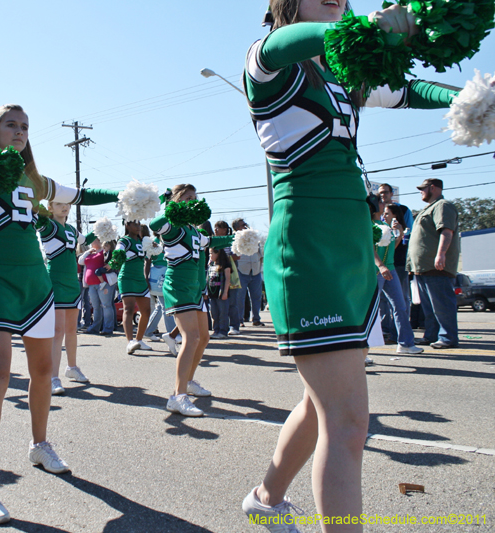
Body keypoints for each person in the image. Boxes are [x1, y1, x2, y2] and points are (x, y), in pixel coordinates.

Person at [241, 2, 459, 530]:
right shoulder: (266, 62)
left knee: (323, 406)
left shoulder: (347, 71)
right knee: (349, 421)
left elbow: (410, 91)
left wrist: (471, 99)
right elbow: (292, 41)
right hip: (308, 249)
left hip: (353, 248)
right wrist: (364, 29)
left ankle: (266, 499)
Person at [0, 104, 119, 524]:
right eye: (11, 124)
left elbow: (78, 195)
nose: (19, 131)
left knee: (44, 371)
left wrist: (126, 197)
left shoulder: (34, 179)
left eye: (25, 126)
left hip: (35, 282)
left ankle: (39, 444)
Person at [149, 184, 233, 417]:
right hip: (179, 287)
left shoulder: (194, 231)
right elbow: (154, 225)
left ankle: (189, 380)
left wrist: (238, 239)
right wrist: (169, 205)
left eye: (195, 197)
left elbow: (212, 243)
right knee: (191, 337)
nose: (193, 201)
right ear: (176, 200)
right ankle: (177, 396)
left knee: (204, 337)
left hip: (195, 289)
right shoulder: (172, 227)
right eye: (187, 198)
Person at [40, 201, 90, 395]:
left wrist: (104, 231)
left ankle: (72, 367)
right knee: (58, 330)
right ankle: (52, 377)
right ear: (50, 207)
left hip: (72, 281)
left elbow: (85, 238)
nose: (64, 206)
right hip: (56, 280)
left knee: (72, 329)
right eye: (58, 203)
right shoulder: (48, 225)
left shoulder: (71, 229)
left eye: (67, 203)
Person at [406, 178, 461, 349]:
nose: (421, 192)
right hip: (423, 268)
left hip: (436, 267)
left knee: (442, 305)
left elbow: (446, 230)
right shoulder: (428, 208)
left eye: (423, 189)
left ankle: (448, 337)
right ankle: (431, 335)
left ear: (433, 188)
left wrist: (441, 254)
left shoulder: (442, 205)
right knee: (429, 308)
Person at [375, 204, 422, 355]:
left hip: (391, 269)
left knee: (400, 305)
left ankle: (406, 343)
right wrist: (381, 266)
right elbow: (369, 248)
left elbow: (390, 250)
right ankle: (362, 350)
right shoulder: (370, 225)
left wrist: (400, 233)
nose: (386, 215)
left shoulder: (385, 226)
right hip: (375, 271)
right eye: (386, 213)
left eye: (388, 213)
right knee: (369, 309)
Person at [116, 221, 153, 354]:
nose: (138, 227)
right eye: (134, 224)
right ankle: (130, 342)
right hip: (127, 278)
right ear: (127, 225)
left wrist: (153, 248)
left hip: (140, 279)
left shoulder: (143, 241)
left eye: (139, 224)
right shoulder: (124, 240)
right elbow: (118, 249)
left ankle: (139, 340)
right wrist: (118, 252)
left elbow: (150, 257)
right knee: (129, 309)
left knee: (146, 311)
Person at [79, 237, 116, 336]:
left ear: (100, 241)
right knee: (95, 307)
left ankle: (108, 328)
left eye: (94, 240)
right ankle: (95, 327)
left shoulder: (104, 251)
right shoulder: (90, 253)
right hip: (91, 285)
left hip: (104, 283)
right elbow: (80, 261)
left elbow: (113, 259)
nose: (92, 242)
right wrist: (87, 252)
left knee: (106, 305)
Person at [232, 218, 265, 327]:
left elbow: (260, 254)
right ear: (237, 228)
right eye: (242, 225)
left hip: (255, 271)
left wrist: (259, 267)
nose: (245, 227)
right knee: (240, 297)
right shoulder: (234, 239)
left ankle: (256, 319)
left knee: (256, 297)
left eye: (245, 224)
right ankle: (240, 320)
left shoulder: (254, 238)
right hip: (241, 271)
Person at [207, 248, 231, 339]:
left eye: (211, 253)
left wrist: (225, 292)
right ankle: (216, 330)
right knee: (214, 313)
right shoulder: (211, 264)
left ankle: (223, 331)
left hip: (221, 292)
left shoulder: (225, 265)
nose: (210, 256)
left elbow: (227, 279)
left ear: (218, 253)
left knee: (222, 313)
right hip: (212, 292)